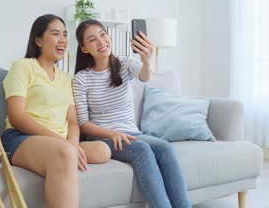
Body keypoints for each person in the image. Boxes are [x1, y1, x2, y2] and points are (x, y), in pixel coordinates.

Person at [72, 19, 191, 208]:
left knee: (165, 148)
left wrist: (146, 61)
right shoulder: (81, 79)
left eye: (103, 35)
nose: (101, 42)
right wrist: (112, 133)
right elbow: (83, 124)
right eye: (93, 40)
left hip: (132, 134)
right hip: (104, 139)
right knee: (142, 150)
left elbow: (144, 76)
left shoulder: (125, 63)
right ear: (84, 48)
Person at [1, 14, 111, 208]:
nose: (62, 40)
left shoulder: (66, 78)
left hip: (60, 143)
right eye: (55, 34)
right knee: (66, 152)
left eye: (65, 34)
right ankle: (63, 155)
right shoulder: (23, 66)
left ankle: (63, 156)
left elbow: (72, 122)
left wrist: (74, 144)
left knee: (103, 151)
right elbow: (16, 116)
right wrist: (64, 144)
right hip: (21, 138)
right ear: (39, 40)